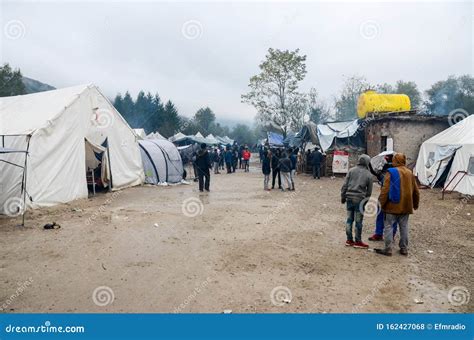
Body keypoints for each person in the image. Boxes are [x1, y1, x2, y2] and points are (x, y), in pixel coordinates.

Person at [375, 153, 420, 256]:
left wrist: (380, 204)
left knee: (389, 226)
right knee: (404, 227)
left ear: (395, 161)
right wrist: (415, 204)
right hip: (406, 206)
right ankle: (404, 248)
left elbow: (385, 190)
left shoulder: (391, 173)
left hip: (392, 206)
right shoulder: (410, 173)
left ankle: (388, 249)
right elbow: (416, 191)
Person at [341, 154, 373, 249]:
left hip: (349, 198)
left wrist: (343, 197)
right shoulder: (369, 175)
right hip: (360, 200)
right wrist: (365, 202)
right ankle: (358, 241)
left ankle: (349, 240)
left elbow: (344, 186)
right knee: (358, 221)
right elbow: (369, 192)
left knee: (349, 219)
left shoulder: (351, 171)